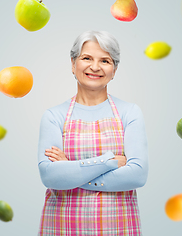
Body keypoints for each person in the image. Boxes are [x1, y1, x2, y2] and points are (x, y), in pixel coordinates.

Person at [37, 30, 149, 235]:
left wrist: (71, 172)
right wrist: (110, 162)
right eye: (86, 58)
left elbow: (137, 175)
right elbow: (50, 176)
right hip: (61, 227)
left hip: (117, 228)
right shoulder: (54, 116)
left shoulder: (129, 113)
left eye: (105, 61)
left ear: (114, 70)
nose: (95, 67)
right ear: (73, 64)